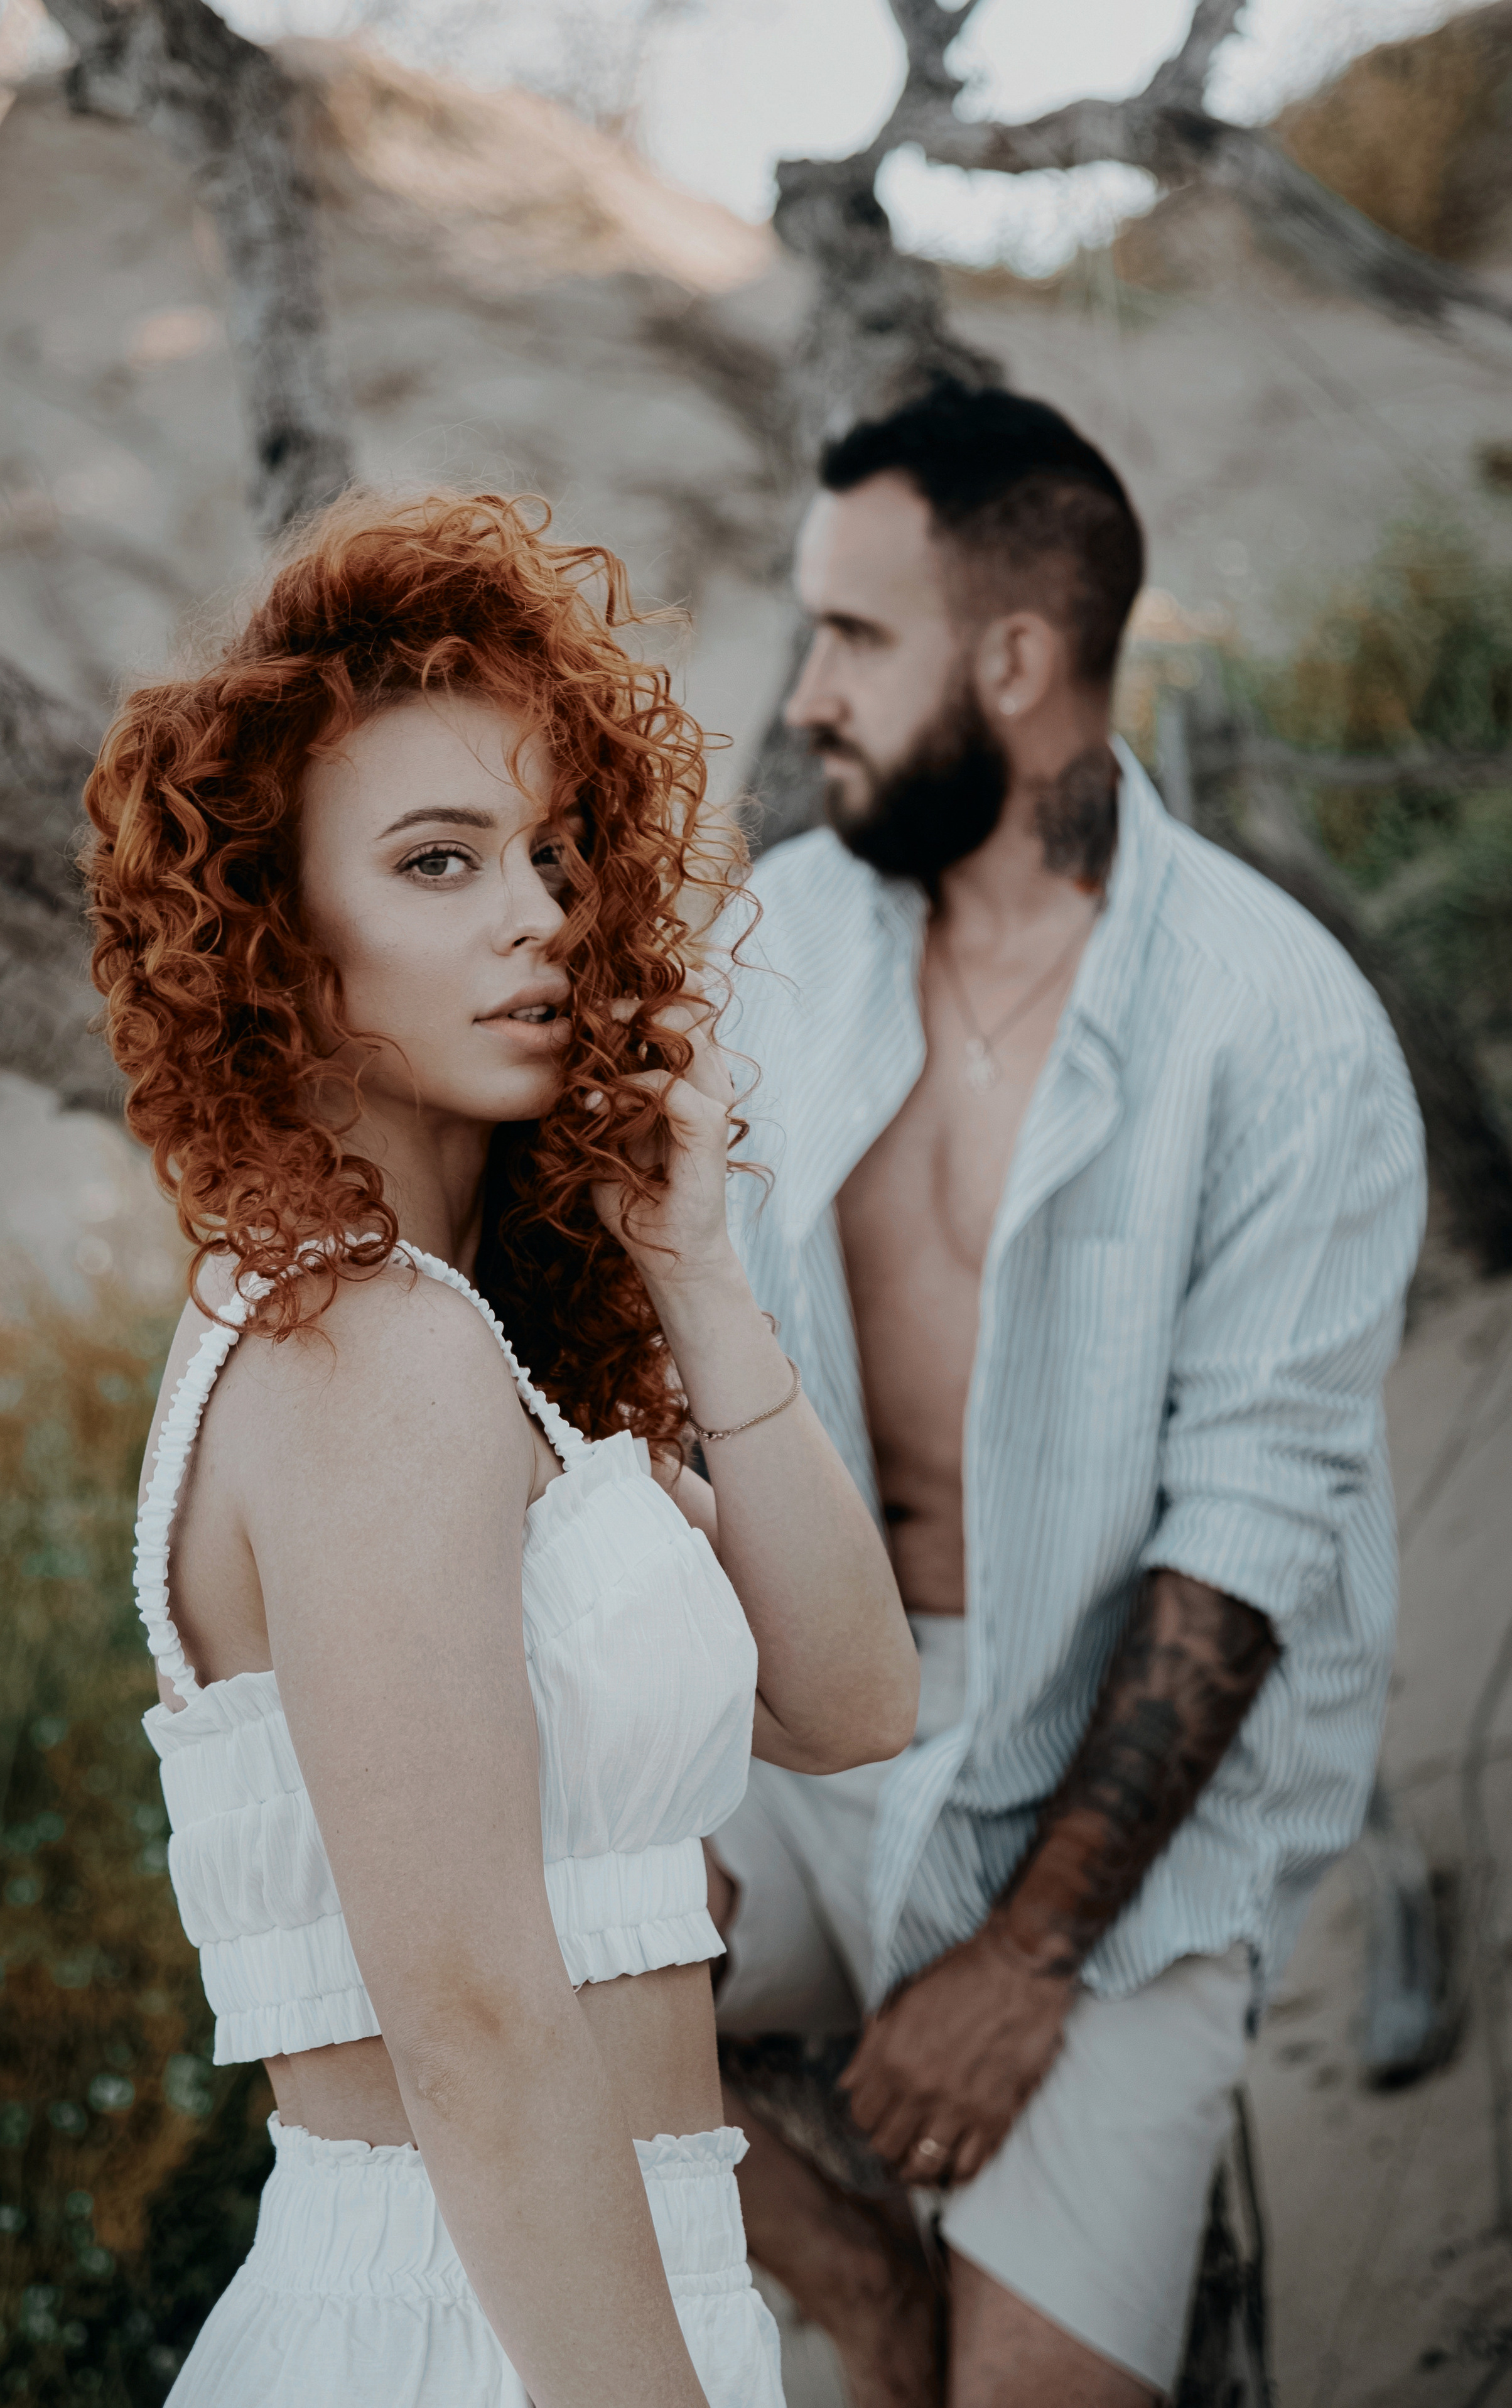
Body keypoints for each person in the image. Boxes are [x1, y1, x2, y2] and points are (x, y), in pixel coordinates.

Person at [84, 492, 919, 2408]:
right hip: (479, 2332)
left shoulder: (452, 1338)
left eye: (551, 853)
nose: (538, 912)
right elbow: (468, 2016)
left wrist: (696, 1272)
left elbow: (854, 1699)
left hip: (574, 2297)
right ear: (277, 936)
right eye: (438, 861)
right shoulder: (366, 1348)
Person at [708, 381, 1427, 2407]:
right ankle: (859, 2278)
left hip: (1115, 1803)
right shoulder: (777, 944)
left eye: (854, 636)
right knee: (464, 1942)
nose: (805, 696)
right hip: (806, 1738)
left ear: (1016, 661)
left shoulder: (1278, 1029)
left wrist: (1025, 1956)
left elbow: (1244, 1543)